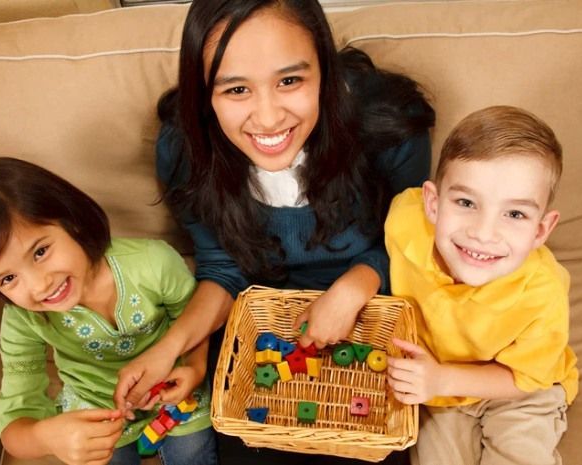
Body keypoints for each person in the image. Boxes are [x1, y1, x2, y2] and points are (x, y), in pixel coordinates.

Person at [114, 1, 433, 463]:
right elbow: (223, 268)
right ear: (204, 95)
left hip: (372, 319)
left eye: (290, 81)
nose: (267, 119)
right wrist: (169, 350)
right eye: (236, 89)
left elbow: (414, 245)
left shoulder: (388, 126)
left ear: (323, 67)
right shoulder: (184, 149)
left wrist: (355, 285)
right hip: (262, 333)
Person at [0, 157, 217, 465]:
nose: (39, 285)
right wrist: (47, 437)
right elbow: (14, 425)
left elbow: (195, 315)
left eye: (40, 252)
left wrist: (194, 367)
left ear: (71, 220)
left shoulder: (153, 262)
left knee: (194, 453)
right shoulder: (21, 319)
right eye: (8, 279)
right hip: (94, 414)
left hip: (175, 395)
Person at [385, 106, 579, 465]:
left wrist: (444, 379)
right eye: (466, 202)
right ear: (433, 203)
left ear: (540, 230)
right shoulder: (404, 221)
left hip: (517, 390)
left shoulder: (543, 292)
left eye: (515, 214)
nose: (483, 233)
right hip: (437, 388)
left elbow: (524, 379)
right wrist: (438, 382)